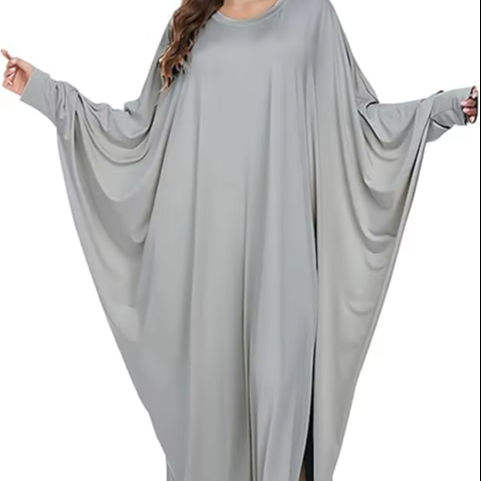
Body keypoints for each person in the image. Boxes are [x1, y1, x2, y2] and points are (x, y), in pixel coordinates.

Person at [2, 1, 478, 480]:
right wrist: (43, 91)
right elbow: (137, 130)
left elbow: (360, 124)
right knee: (212, 425)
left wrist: (444, 108)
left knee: (285, 414)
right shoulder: (189, 23)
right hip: (206, 271)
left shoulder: (312, 15)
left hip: (285, 266)